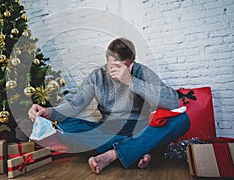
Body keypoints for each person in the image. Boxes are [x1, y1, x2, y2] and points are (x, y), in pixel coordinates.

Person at [28, 37, 190, 174]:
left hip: (139, 129)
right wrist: (48, 112)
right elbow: (75, 104)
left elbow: (172, 101)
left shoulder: (142, 72)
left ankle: (113, 154)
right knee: (65, 126)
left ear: (131, 63)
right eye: (112, 66)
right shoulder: (97, 76)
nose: (115, 72)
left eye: (122, 67)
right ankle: (138, 150)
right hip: (108, 130)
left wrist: (131, 81)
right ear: (107, 60)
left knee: (182, 120)